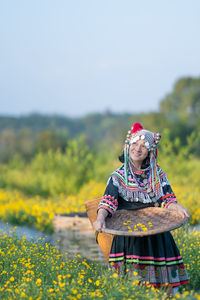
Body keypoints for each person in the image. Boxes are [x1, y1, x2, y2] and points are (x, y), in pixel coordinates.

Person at [93, 122, 190, 290]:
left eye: (143, 147)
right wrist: (100, 218)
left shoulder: (157, 174)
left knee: (162, 289)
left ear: (149, 152)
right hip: (128, 236)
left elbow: (167, 199)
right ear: (128, 146)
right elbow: (108, 202)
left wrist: (177, 207)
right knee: (129, 288)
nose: (138, 149)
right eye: (135, 144)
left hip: (156, 234)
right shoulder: (118, 176)